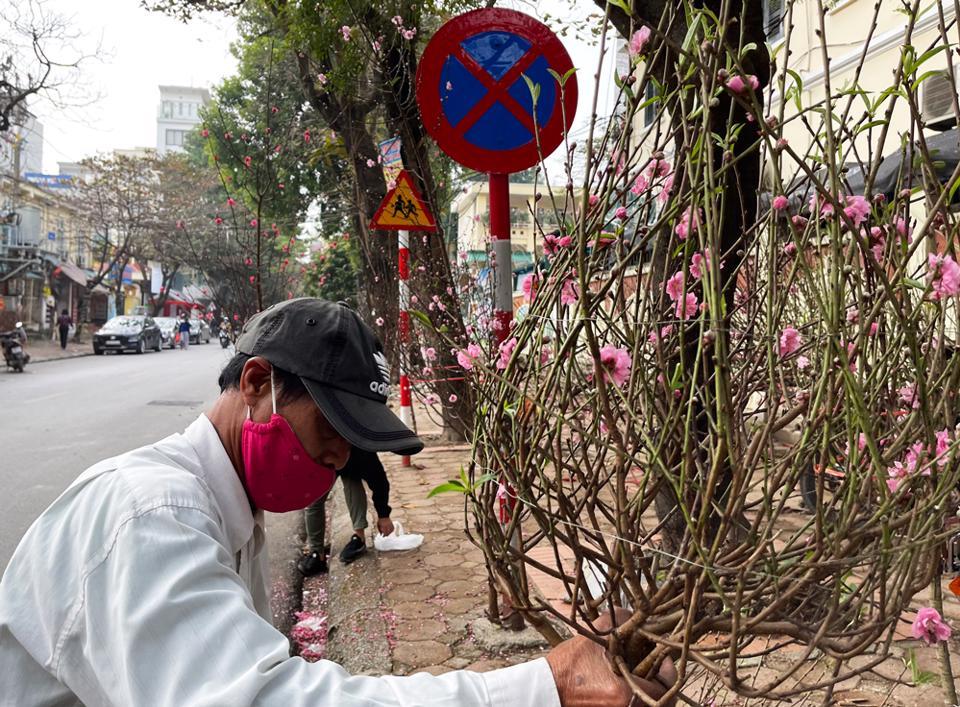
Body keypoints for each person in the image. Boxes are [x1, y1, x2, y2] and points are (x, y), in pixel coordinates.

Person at [0, 298, 674, 706]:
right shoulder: (151, 516)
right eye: (328, 432)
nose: (332, 463)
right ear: (258, 382)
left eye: (348, 446)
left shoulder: (226, 514)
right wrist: (535, 689)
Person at [298, 448, 393, 576]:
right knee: (314, 499)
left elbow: (379, 481)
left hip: (351, 459)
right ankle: (316, 553)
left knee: (353, 483)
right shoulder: (319, 450)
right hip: (323, 457)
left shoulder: (361, 453)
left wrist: (384, 515)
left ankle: (359, 538)